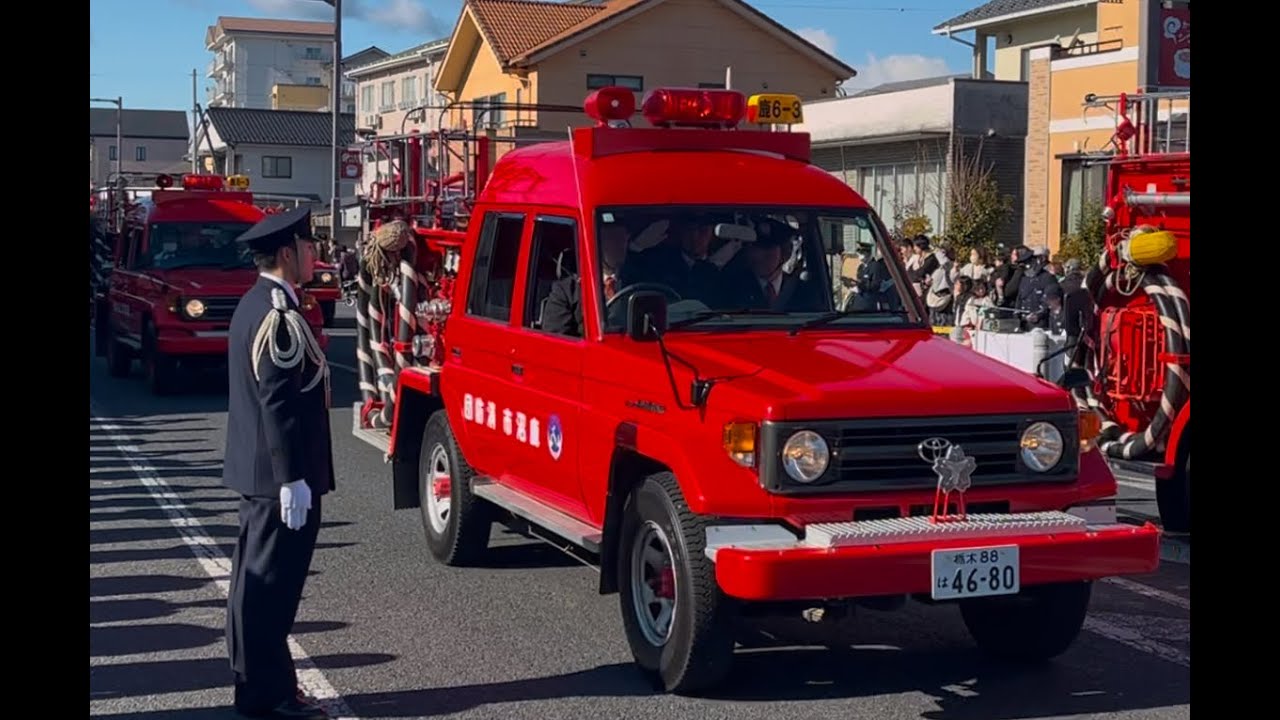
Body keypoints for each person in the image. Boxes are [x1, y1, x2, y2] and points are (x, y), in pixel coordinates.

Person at [223, 206, 334, 720]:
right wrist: (292, 477)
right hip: (278, 478)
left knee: (256, 585)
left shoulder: (256, 303)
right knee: (271, 590)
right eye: (309, 247)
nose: (315, 255)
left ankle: (264, 687)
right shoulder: (277, 313)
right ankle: (268, 696)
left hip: (261, 474)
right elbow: (277, 402)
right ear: (288, 254)